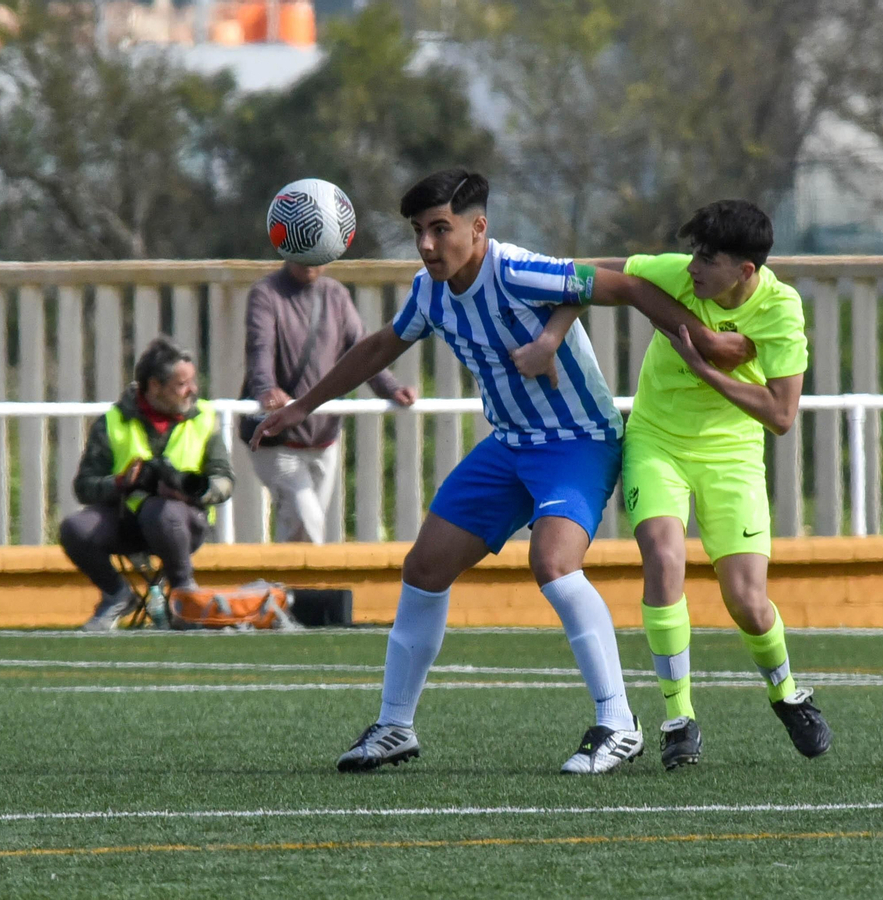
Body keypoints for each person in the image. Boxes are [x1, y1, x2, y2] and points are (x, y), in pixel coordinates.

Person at [253, 169, 754, 774]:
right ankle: (394, 726)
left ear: (479, 227)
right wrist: (302, 406)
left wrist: (700, 336)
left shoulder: (516, 270)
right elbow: (381, 345)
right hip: (510, 445)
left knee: (553, 563)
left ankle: (619, 723)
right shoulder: (429, 290)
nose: (427, 245)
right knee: (425, 566)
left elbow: (625, 287)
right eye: (418, 231)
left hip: (577, 440)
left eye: (441, 229)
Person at [608, 200, 831, 767]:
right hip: (657, 440)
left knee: (747, 601)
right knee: (663, 556)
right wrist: (700, 337)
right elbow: (608, 279)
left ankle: (787, 694)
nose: (692, 269)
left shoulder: (780, 309)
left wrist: (707, 369)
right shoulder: (675, 275)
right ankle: (678, 717)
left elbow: (781, 416)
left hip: (732, 455)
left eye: (707, 259)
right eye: (692, 253)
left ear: (746, 272)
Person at [61, 336, 235, 632]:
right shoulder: (113, 421)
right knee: (74, 528)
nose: (192, 390)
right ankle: (116, 594)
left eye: (192, 381)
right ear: (154, 386)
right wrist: (121, 483)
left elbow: (225, 480)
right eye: (182, 384)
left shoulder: (205, 418)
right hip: (125, 520)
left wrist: (194, 490)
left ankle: (184, 596)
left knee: (161, 511)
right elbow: (84, 486)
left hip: (181, 523)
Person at [243, 260, 417, 543]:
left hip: (324, 438)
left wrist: (391, 389)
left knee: (300, 531)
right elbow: (259, 348)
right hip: (278, 438)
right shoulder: (266, 293)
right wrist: (266, 390)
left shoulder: (336, 295)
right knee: (307, 520)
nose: (309, 259)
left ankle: (286, 587)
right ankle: (307, 588)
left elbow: (362, 347)